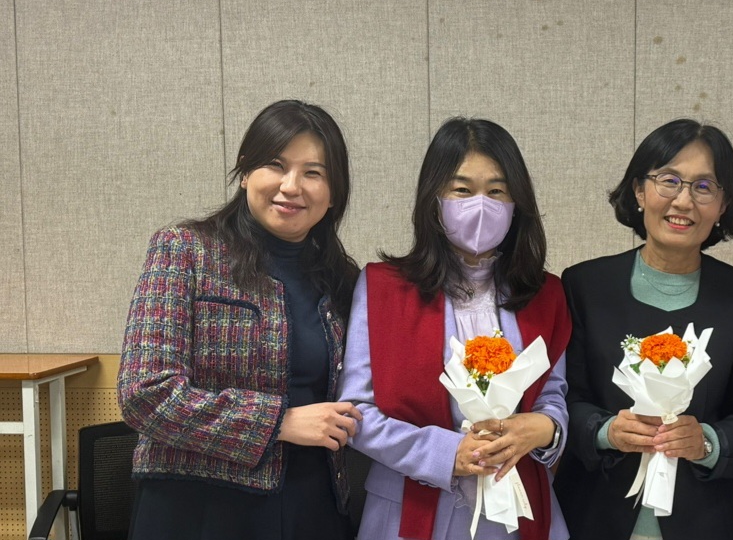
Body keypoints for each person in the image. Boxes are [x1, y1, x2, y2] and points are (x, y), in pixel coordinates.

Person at [118, 100, 362, 539]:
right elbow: (145, 393)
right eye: (276, 165)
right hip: (199, 509)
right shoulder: (186, 250)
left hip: (315, 503)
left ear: (333, 193)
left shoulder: (343, 280)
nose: (291, 186)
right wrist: (278, 422)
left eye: (313, 172)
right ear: (246, 171)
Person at [339, 117, 571, 540]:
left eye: (497, 191)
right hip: (409, 506)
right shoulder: (382, 288)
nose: (481, 205)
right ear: (435, 199)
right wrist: (447, 453)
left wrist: (545, 428)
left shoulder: (545, 294)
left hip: (518, 507)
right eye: (462, 190)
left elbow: (552, 395)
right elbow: (356, 411)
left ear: (517, 203)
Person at [554, 119, 733, 540]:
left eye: (704, 186)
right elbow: (565, 397)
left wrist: (706, 442)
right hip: (594, 512)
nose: (684, 200)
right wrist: (605, 431)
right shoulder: (583, 286)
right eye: (669, 181)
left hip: (709, 520)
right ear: (639, 191)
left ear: (723, 205)